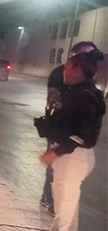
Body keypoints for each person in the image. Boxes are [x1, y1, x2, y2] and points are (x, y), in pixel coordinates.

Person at [32, 47, 105, 231]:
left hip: (74, 157)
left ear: (80, 69)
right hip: (68, 156)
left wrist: (56, 152)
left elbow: (80, 135)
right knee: (62, 202)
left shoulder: (85, 95)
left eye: (70, 64)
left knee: (66, 206)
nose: (65, 67)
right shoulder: (77, 90)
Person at [40, 42, 99, 215]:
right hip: (61, 137)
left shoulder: (86, 92)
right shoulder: (61, 74)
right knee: (57, 180)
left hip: (73, 149)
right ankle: (49, 199)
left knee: (65, 197)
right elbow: (53, 102)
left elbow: (83, 132)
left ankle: (51, 203)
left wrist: (58, 149)